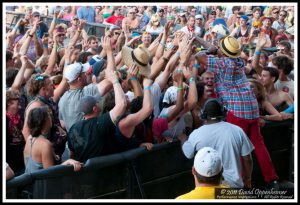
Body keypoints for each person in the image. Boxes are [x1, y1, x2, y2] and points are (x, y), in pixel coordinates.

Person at [195, 35, 279, 189]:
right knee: (259, 145)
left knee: (236, 147)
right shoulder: (238, 60)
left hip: (236, 110)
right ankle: (272, 179)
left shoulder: (222, 63)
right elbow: (219, 51)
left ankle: (238, 184)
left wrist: (208, 49)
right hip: (252, 107)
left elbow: (199, 56)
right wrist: (198, 38)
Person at [178, 99, 254, 188]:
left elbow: (188, 154)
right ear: (223, 113)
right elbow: (247, 159)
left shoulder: (196, 134)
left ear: (204, 115)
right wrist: (247, 179)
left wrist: (183, 139)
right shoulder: (237, 130)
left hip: (208, 189)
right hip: (234, 187)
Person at [67, 69, 127, 162]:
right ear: (95, 109)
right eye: (97, 102)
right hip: (106, 172)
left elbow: (72, 154)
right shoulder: (101, 123)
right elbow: (122, 104)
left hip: (85, 174)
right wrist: (115, 81)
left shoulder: (73, 128)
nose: (99, 102)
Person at [24, 106, 82, 173]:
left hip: (31, 181)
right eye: (49, 116)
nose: (51, 118)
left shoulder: (30, 138)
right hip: (40, 182)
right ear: (44, 122)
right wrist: (67, 162)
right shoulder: (45, 144)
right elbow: (51, 174)